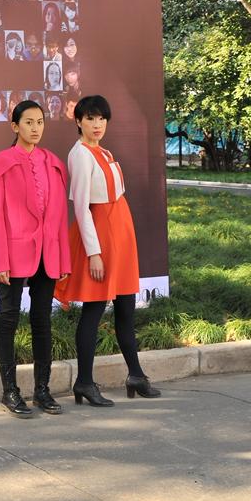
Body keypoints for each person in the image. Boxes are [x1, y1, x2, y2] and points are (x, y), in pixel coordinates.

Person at [56, 95, 159, 407]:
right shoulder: (80, 154)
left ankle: (136, 375)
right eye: (90, 118)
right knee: (94, 308)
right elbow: (81, 208)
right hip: (100, 238)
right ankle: (84, 382)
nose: (97, 124)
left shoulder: (103, 150)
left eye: (101, 118)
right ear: (78, 121)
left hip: (121, 235)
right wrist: (94, 253)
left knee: (126, 308)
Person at [0, 99, 71, 418]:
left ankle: (42, 390)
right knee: (8, 318)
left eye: (40, 122)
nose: (35, 128)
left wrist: (63, 260)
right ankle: (9, 391)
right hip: (13, 254)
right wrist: (0, 261)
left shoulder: (54, 164)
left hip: (48, 254)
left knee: (42, 320)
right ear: (15, 126)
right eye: (28, 122)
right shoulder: (0, 164)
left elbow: (60, 216)